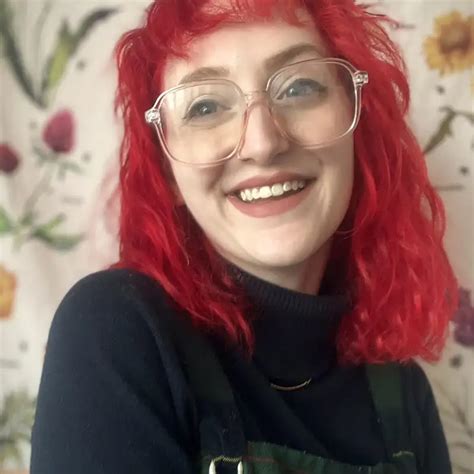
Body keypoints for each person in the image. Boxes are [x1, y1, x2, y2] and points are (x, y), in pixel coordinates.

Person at [30, 0, 459, 473]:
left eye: (299, 87)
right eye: (206, 107)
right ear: (167, 172)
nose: (263, 142)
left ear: (357, 124)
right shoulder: (117, 331)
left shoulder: (402, 389)